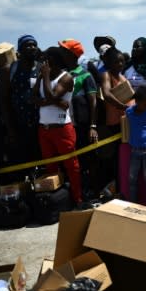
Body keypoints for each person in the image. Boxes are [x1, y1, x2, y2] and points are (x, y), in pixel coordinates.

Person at [32, 46, 83, 207]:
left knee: (71, 166)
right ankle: (58, 201)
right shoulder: (42, 77)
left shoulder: (66, 77)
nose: (41, 62)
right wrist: (57, 102)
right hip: (44, 129)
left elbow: (51, 95)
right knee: (51, 167)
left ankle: (78, 199)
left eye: (44, 59)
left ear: (52, 60)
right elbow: (33, 98)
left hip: (62, 129)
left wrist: (46, 78)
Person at [59, 39, 99, 199]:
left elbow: (93, 102)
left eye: (63, 50)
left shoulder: (85, 75)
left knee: (88, 160)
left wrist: (93, 126)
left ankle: (92, 191)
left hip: (82, 126)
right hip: (66, 126)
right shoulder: (61, 74)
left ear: (71, 54)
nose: (60, 52)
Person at [1, 35, 42, 167]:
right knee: (22, 162)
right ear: (19, 50)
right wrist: (10, 129)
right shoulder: (9, 70)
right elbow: (5, 101)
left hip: (41, 124)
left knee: (41, 161)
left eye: (34, 45)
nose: (32, 47)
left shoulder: (42, 68)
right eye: (28, 45)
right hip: (18, 125)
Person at [100, 46, 131, 193]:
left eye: (122, 62)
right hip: (114, 124)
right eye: (116, 62)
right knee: (114, 160)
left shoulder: (123, 77)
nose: (120, 64)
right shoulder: (106, 75)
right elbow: (106, 94)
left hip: (126, 123)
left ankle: (122, 187)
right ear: (109, 63)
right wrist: (121, 106)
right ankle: (114, 189)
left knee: (124, 159)